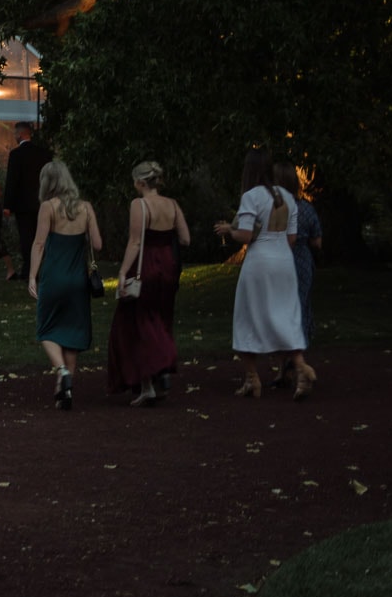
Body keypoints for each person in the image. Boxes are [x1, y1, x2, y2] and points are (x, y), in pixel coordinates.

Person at [214, 148, 315, 399]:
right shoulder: (287, 197)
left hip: (259, 262)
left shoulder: (252, 196)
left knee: (247, 315)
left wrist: (229, 231)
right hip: (284, 261)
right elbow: (292, 238)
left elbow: (246, 236)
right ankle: (301, 368)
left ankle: (252, 378)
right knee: (286, 314)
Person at [104, 161, 191, 406]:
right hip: (169, 265)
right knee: (161, 317)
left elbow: (135, 242)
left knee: (136, 321)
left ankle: (149, 380)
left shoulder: (139, 205)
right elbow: (185, 239)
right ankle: (159, 370)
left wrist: (122, 272)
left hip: (146, 266)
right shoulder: (172, 204)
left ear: (141, 183)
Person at [28, 160, 102, 411]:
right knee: (72, 331)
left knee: (45, 327)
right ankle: (66, 388)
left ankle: (61, 371)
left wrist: (31, 276)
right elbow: (98, 244)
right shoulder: (86, 208)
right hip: (78, 279)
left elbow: (38, 244)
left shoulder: (48, 207)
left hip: (54, 276)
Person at [271, 161, 322, 387]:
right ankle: (295, 363)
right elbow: (317, 241)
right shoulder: (306, 208)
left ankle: (284, 366)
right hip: (301, 260)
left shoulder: (273, 207)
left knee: (279, 309)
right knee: (298, 308)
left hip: (278, 259)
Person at [2, 121, 52, 284]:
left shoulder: (16, 155)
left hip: (23, 204)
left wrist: (7, 204)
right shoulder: (44, 154)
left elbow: (12, 181)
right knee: (41, 235)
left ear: (20, 134)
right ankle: (42, 267)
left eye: (15, 134)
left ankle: (29, 268)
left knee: (26, 237)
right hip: (41, 201)